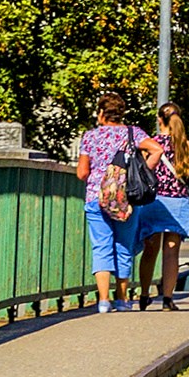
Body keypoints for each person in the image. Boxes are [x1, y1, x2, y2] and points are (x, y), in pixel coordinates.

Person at [73, 88, 147, 312]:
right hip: (125, 197)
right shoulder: (134, 133)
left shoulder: (90, 136)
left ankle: (104, 300)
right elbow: (157, 149)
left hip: (97, 197)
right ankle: (123, 299)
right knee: (124, 246)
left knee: (101, 246)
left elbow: (82, 173)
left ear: (101, 114)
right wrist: (144, 171)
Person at [141, 102, 189, 309]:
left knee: (150, 250)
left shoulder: (150, 144)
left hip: (154, 201)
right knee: (171, 252)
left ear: (160, 120)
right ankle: (168, 298)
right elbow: (185, 174)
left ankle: (143, 294)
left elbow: (145, 172)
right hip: (178, 203)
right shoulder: (187, 146)